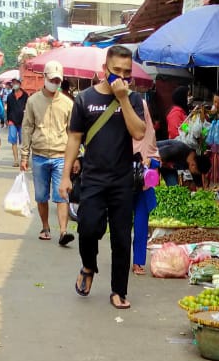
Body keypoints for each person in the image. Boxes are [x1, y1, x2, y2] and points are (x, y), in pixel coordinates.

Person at [59, 45, 146, 310]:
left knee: (121, 238)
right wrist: (65, 176)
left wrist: (122, 99)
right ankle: (88, 265)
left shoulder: (133, 99)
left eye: (127, 72)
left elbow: (139, 133)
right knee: (88, 229)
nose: (122, 77)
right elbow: (74, 138)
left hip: (122, 179)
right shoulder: (85, 99)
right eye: (116, 70)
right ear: (104, 70)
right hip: (93, 178)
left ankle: (119, 290)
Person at [20, 61, 74, 245]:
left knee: (62, 195)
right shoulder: (33, 101)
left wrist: (75, 157)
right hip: (39, 155)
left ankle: (63, 232)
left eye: (58, 81)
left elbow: (73, 133)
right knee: (41, 196)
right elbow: (27, 127)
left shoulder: (67, 103)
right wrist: (24, 155)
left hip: (61, 155)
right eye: (52, 80)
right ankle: (45, 227)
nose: (55, 83)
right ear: (44, 77)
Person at [132, 99, 160, 275]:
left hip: (143, 182)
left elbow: (155, 156)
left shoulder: (149, 132)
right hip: (122, 179)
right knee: (121, 222)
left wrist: (150, 161)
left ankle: (138, 261)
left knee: (141, 222)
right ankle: (121, 258)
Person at [5, 79, 29, 167]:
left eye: (16, 83)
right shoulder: (10, 96)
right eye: (13, 83)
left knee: (24, 142)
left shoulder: (25, 95)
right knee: (13, 141)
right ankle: (16, 160)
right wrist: (7, 120)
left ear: (20, 84)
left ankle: (24, 159)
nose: (14, 84)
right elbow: (8, 109)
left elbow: (28, 108)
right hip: (12, 121)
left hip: (23, 121)